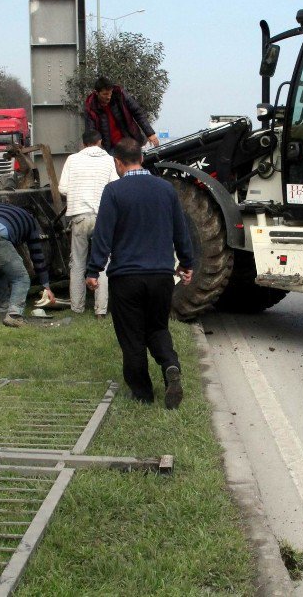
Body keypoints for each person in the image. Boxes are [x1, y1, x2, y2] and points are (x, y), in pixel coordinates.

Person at [86, 138, 194, 409]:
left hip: (126, 277)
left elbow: (103, 234)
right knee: (157, 327)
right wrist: (186, 263)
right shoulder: (166, 190)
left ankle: (143, 394)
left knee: (132, 335)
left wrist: (94, 269)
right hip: (161, 276)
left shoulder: (113, 191)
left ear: (118, 162)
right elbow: (181, 230)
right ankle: (170, 365)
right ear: (142, 159)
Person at [58, 129, 118, 318]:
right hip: (103, 217)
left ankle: (77, 307)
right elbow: (114, 186)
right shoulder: (109, 160)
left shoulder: (72, 160)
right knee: (103, 262)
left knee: (77, 262)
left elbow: (63, 188)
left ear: (83, 144)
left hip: (79, 216)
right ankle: (100, 310)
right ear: (100, 142)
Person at [0, 202, 55, 327]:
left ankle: (3, 311)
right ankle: (14, 315)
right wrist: (46, 286)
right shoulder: (30, 221)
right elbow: (37, 257)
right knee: (21, 278)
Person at [83, 76, 161, 150]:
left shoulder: (120, 95)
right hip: (109, 148)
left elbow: (137, 112)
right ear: (97, 93)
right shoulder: (91, 106)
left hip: (130, 142)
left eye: (110, 93)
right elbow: (91, 131)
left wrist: (150, 134)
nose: (108, 97)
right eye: (105, 94)